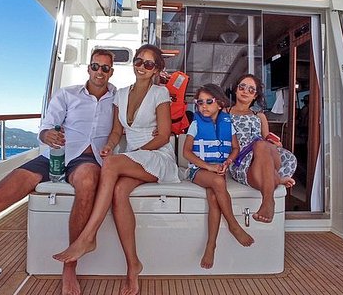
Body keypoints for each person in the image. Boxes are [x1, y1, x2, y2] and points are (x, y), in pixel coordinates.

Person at [0, 47, 116, 295]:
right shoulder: (67, 95)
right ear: (88, 68)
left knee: (88, 180)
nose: (99, 72)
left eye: (105, 68)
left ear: (111, 72)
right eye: (95, 66)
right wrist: (46, 134)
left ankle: (70, 267)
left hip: (86, 160)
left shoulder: (118, 98)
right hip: (53, 156)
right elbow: (47, 125)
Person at [53, 44, 180, 295]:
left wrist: (129, 154)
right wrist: (109, 147)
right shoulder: (120, 94)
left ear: (156, 70)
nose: (142, 67)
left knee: (112, 165)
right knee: (119, 191)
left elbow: (164, 136)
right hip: (134, 159)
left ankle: (88, 236)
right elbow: (116, 132)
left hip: (156, 156)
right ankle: (133, 266)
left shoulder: (160, 93)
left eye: (149, 64)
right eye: (139, 61)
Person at [183, 83, 254, 270]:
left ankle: (211, 245)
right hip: (197, 171)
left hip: (219, 169)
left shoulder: (227, 124)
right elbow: (187, 152)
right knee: (216, 181)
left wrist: (227, 163)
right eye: (200, 103)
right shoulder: (196, 124)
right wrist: (209, 167)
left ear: (220, 104)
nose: (203, 106)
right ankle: (233, 225)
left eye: (208, 101)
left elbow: (236, 149)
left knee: (214, 196)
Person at [228, 74, 296, 224]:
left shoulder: (259, 116)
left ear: (255, 95)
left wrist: (275, 142)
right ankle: (271, 193)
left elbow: (266, 137)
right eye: (242, 87)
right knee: (260, 145)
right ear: (236, 90)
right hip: (241, 159)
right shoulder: (224, 113)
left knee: (262, 144)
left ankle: (270, 194)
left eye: (251, 90)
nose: (246, 91)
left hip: (263, 153)